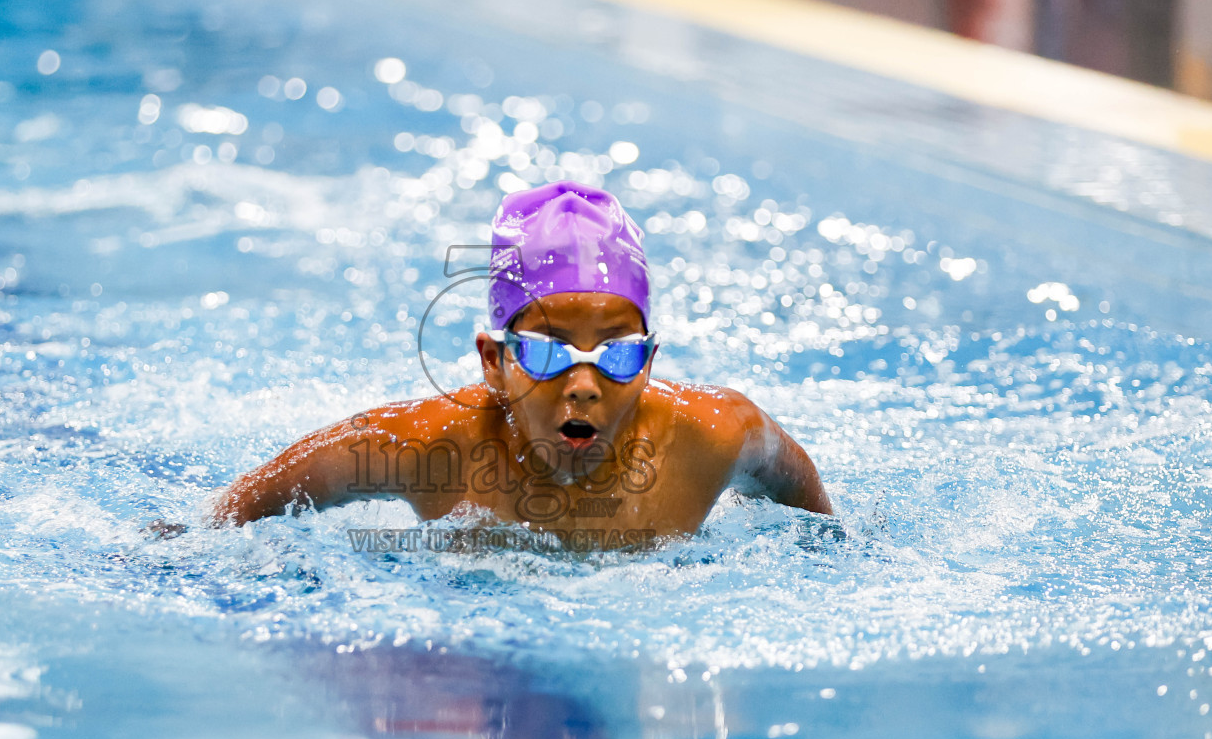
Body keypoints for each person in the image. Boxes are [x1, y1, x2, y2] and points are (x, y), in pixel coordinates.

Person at [211, 180, 832, 547]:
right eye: (546, 352)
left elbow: (811, 514)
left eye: (616, 353)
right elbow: (237, 512)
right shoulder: (424, 448)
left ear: (650, 362)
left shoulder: (716, 435)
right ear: (494, 361)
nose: (584, 385)